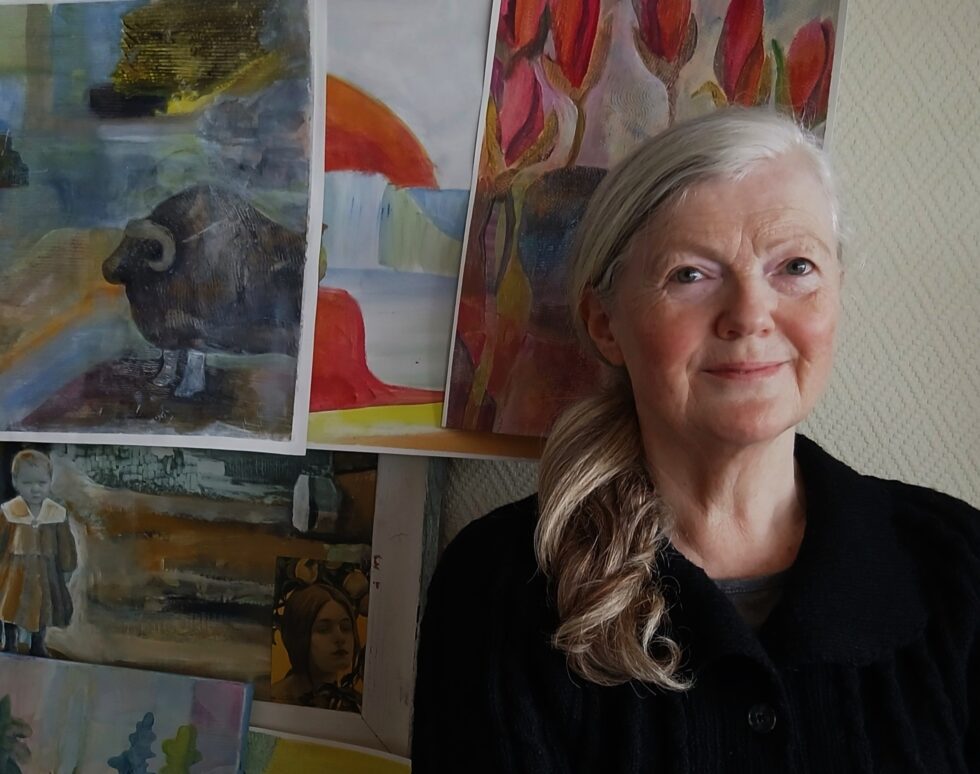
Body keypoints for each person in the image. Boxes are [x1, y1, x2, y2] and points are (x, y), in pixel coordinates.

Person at [411, 108, 980, 772]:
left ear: (837, 295)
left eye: (795, 266)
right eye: (690, 274)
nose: (750, 315)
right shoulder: (498, 585)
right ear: (604, 323)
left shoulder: (958, 563)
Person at [0, 449, 77, 657]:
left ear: (50, 481)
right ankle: (10, 641)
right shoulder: (8, 512)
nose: (35, 489)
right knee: (10, 605)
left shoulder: (56, 513)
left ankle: (37, 643)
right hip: (14, 572)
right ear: (15, 482)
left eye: (41, 483)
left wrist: (67, 564)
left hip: (45, 572)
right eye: (27, 483)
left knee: (43, 607)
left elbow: (65, 543)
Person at [272, 580, 363, 712]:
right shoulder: (275, 700)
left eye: (345, 627)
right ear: (299, 636)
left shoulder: (355, 704)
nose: (340, 638)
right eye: (324, 629)